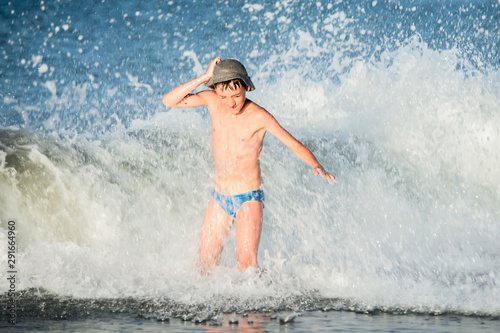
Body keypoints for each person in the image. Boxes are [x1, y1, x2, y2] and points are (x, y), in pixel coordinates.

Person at [162, 57, 336, 273]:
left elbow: (293, 143)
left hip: (249, 197)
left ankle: (262, 305)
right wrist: (206, 77)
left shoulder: (259, 116)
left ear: (246, 87)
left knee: (247, 266)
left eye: (237, 95)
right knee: (204, 265)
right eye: (224, 96)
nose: (231, 102)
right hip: (219, 197)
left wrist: (316, 164)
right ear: (216, 90)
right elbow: (169, 101)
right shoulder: (212, 101)